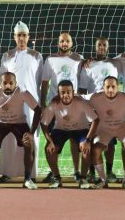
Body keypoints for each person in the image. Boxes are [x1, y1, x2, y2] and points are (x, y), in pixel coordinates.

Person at [0, 72, 41, 190]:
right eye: (4, 83)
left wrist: (31, 132)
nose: (7, 86)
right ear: (0, 83)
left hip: (19, 122)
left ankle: (28, 179)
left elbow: (37, 110)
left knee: (29, 142)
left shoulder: (22, 92)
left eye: (11, 83)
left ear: (15, 84)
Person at [0, 21, 43, 181]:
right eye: (19, 35)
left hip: (31, 104)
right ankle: (7, 173)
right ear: (14, 37)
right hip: (10, 103)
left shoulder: (36, 56)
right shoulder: (7, 56)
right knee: (9, 138)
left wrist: (39, 103)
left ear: (28, 37)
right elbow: (1, 82)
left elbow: (38, 81)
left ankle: (30, 174)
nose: (22, 38)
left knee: (30, 137)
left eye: (24, 35)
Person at [41, 32, 84, 183]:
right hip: (55, 106)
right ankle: (53, 172)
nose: (64, 43)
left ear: (72, 43)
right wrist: (42, 103)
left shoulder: (78, 59)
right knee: (52, 139)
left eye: (67, 41)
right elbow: (45, 82)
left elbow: (82, 79)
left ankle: (77, 171)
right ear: (58, 43)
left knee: (74, 140)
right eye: (62, 41)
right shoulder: (50, 59)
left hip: (74, 106)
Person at [40, 80, 98, 189]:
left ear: (73, 92)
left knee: (86, 148)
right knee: (49, 149)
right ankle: (57, 178)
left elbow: (95, 120)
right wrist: (49, 141)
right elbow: (44, 123)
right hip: (61, 129)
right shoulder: (54, 103)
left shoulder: (80, 102)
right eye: (62, 92)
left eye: (68, 92)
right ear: (58, 92)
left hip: (80, 129)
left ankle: (83, 178)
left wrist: (88, 140)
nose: (65, 95)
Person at [78, 36, 119, 182]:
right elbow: (82, 89)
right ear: (95, 47)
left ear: (108, 47)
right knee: (92, 139)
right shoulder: (88, 65)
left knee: (111, 141)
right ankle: (91, 173)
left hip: (110, 108)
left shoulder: (114, 64)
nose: (101, 47)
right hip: (93, 108)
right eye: (99, 45)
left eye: (104, 45)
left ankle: (109, 171)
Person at [88, 76, 125, 190]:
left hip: (122, 128)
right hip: (104, 129)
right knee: (95, 150)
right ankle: (102, 180)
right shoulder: (95, 98)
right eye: (107, 87)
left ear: (118, 87)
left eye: (113, 87)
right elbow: (86, 110)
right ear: (103, 87)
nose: (110, 90)